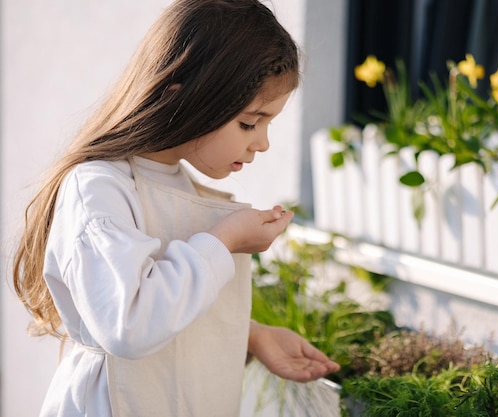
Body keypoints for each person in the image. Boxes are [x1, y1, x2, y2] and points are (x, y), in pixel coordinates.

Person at [11, 0, 340, 416]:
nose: (262, 143)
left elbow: (167, 309)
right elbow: (129, 324)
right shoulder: (99, 188)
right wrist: (225, 240)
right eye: (249, 122)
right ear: (183, 99)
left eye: (268, 124)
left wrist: (252, 336)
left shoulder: (177, 184)